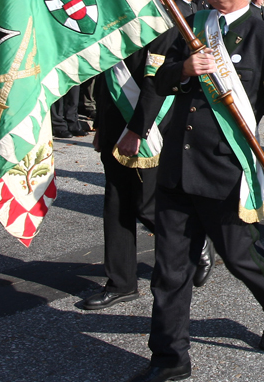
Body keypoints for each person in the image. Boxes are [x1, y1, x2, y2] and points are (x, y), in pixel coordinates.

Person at [129, 0, 264, 382]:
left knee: (241, 258)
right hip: (176, 167)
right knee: (170, 271)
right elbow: (156, 78)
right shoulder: (191, 26)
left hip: (226, 171)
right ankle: (169, 360)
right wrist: (183, 68)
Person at [83, 33, 216, 310]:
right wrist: (100, 125)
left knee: (146, 205)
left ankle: (196, 241)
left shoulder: (158, 27)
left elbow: (156, 83)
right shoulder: (115, 24)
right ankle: (121, 283)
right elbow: (107, 75)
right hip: (115, 123)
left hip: (146, 127)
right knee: (116, 205)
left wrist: (137, 130)